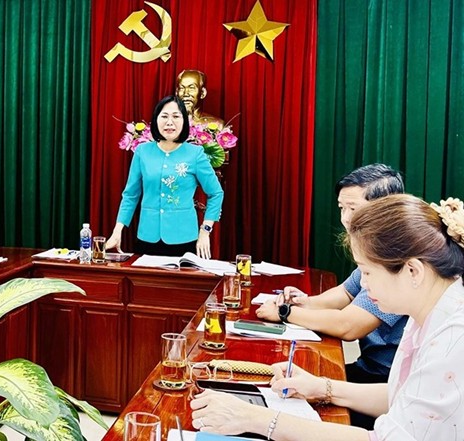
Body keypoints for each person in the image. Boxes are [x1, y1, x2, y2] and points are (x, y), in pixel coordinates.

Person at [191, 194, 464, 440]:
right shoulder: (430, 308)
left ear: (413, 271)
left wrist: (255, 418)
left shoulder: (454, 337)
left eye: (367, 272)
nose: (363, 285)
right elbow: (402, 396)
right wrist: (322, 388)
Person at [256, 165, 406, 398]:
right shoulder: (378, 245)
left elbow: (349, 326)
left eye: (353, 208)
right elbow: (345, 292)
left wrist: (285, 313)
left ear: (385, 208)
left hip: (388, 382)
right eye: (341, 208)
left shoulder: (396, 255)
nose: (345, 218)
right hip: (369, 369)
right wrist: (304, 302)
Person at [105, 96, 224, 258]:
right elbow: (130, 195)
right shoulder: (142, 152)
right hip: (147, 237)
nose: (169, 122)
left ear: (184, 121)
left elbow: (216, 193)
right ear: (156, 120)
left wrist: (205, 231)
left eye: (176, 116)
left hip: (184, 238)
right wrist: (117, 230)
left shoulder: (195, 154)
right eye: (164, 116)